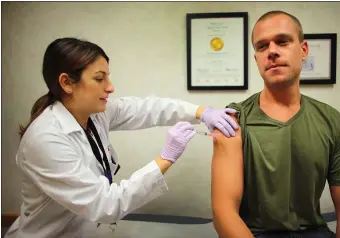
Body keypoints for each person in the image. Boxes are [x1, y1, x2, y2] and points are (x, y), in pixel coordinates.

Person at [4, 37, 239, 238]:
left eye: (108, 77)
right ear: (67, 83)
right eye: (99, 78)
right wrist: (166, 158)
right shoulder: (46, 139)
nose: (110, 87)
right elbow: (105, 205)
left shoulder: (94, 115)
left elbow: (148, 109)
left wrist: (201, 112)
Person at [211, 10, 340, 238]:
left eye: (282, 41)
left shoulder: (330, 120)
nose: (272, 51)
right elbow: (223, 212)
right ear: (256, 58)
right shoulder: (233, 120)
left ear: (303, 50)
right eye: (262, 46)